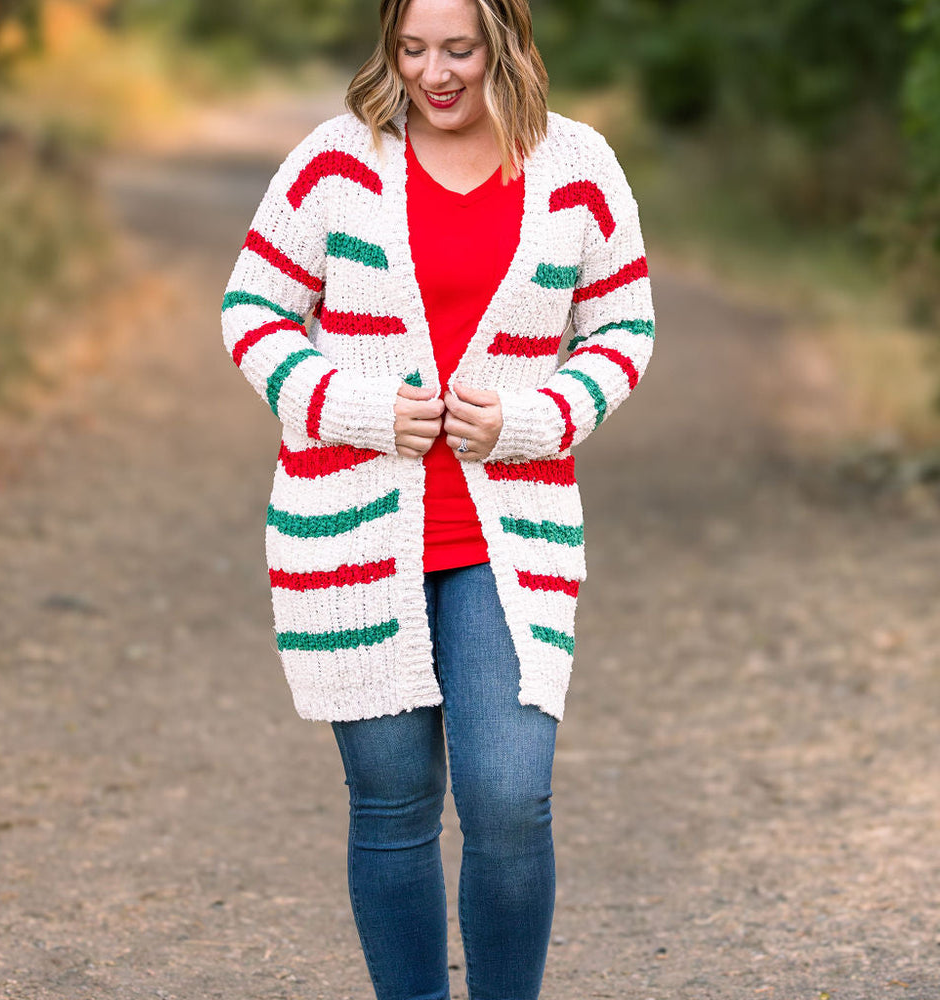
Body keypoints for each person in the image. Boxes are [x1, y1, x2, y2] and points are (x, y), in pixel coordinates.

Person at [219, 0, 654, 995]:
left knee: (508, 797)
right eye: (411, 49)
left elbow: (621, 330)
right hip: (351, 533)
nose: (433, 73)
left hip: (509, 535)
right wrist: (353, 403)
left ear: (505, 39)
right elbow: (253, 309)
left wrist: (531, 418)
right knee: (392, 803)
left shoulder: (578, 167)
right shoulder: (336, 161)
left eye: (457, 49)